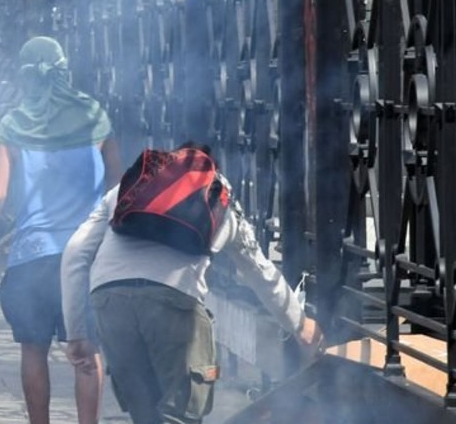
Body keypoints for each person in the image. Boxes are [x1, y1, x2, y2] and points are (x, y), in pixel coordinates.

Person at [61, 142, 322, 424]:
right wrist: (299, 324)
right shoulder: (218, 196)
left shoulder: (127, 188)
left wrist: (76, 332)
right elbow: (258, 269)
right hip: (174, 303)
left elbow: (75, 252)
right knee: (182, 416)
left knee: (144, 416)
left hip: (109, 299)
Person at [0, 37, 122, 424]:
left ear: (26, 76)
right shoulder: (94, 116)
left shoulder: (13, 124)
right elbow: (118, 185)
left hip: (31, 257)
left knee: (33, 349)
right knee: (87, 353)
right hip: (85, 256)